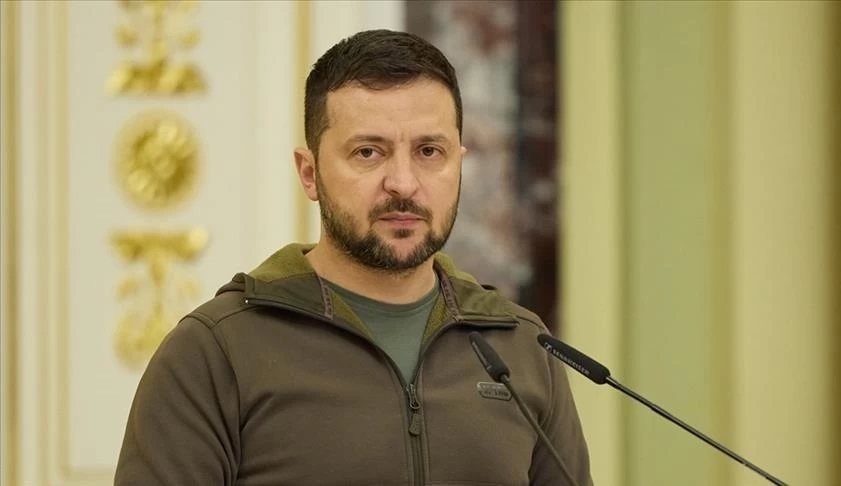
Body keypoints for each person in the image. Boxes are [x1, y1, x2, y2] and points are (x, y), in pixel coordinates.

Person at [114, 29, 593, 486]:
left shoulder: (522, 348)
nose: (403, 183)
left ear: (459, 164)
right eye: (368, 152)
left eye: (429, 151)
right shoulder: (215, 352)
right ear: (309, 173)